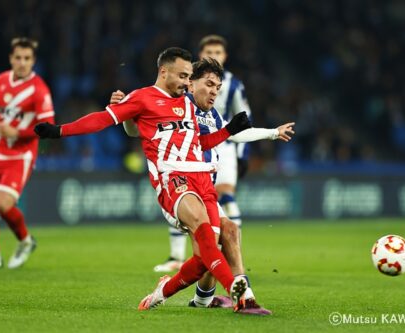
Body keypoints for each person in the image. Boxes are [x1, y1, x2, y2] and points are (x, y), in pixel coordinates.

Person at [35, 47, 253, 312]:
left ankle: (163, 292)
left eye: (189, 77)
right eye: (183, 76)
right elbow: (102, 120)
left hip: (203, 179)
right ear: (164, 71)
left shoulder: (187, 102)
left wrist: (229, 130)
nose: (186, 82)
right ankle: (236, 290)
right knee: (204, 230)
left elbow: (199, 141)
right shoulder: (142, 98)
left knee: (203, 258)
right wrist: (59, 131)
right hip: (173, 178)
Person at [114, 58, 294, 314]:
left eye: (218, 87)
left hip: (205, 187)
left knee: (227, 234)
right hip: (181, 187)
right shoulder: (177, 105)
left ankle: (208, 299)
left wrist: (272, 133)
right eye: (209, 84)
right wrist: (124, 113)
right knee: (210, 250)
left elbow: (233, 134)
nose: (214, 91)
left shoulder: (211, 113)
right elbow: (138, 129)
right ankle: (238, 298)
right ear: (190, 83)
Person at [154, 35, 253, 273]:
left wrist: (244, 153)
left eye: (218, 52)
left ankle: (231, 263)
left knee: (223, 202)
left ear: (225, 56)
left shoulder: (234, 85)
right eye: (209, 51)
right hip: (188, 151)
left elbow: (244, 119)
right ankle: (178, 257)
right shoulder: (185, 85)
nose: (214, 56)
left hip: (224, 146)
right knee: (193, 210)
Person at [0, 37, 55, 270]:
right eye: (18, 58)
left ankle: (26, 241)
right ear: (10, 59)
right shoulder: (1, 80)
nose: (22, 63)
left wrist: (15, 131)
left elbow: (47, 127)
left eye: (27, 58)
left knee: (3, 203)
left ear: (33, 61)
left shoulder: (40, 91)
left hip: (21, 154)